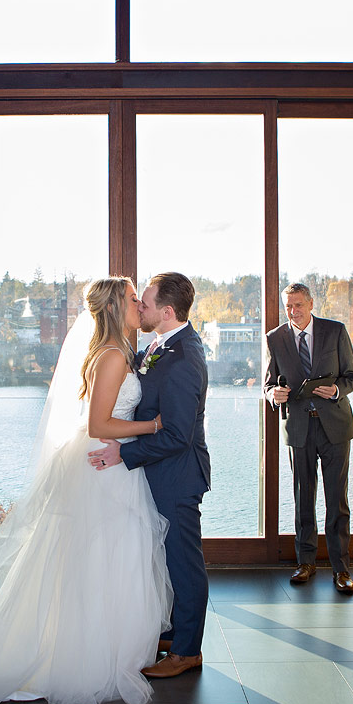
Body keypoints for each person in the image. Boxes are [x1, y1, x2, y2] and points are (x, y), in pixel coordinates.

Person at [0, 277, 172, 704]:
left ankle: (110, 646)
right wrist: (153, 427)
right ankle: (79, 655)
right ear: (114, 307)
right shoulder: (110, 357)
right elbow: (100, 426)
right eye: (131, 298)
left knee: (106, 558)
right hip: (101, 464)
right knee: (97, 558)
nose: (139, 303)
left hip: (110, 465)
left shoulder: (118, 353)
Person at [88, 271, 211, 678]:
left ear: (167, 311)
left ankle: (187, 651)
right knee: (163, 558)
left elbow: (177, 434)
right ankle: (174, 633)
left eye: (145, 302)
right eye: (135, 300)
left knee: (183, 562)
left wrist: (124, 452)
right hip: (153, 472)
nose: (139, 307)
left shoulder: (185, 358)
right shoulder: (158, 345)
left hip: (176, 475)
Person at [263, 283, 353, 594]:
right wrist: (273, 395)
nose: (294, 312)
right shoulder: (275, 338)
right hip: (299, 428)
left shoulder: (335, 331)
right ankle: (306, 563)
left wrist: (336, 391)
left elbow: (352, 377)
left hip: (335, 427)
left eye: (299, 305)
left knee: (337, 499)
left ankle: (341, 568)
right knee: (303, 499)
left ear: (311, 303)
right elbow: (268, 384)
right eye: (289, 306)